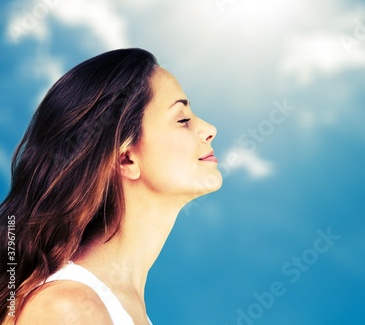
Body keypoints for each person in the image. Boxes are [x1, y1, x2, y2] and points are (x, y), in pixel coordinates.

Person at [0, 48, 223, 324]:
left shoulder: (114, 307)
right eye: (182, 120)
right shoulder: (70, 309)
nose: (209, 128)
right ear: (126, 158)